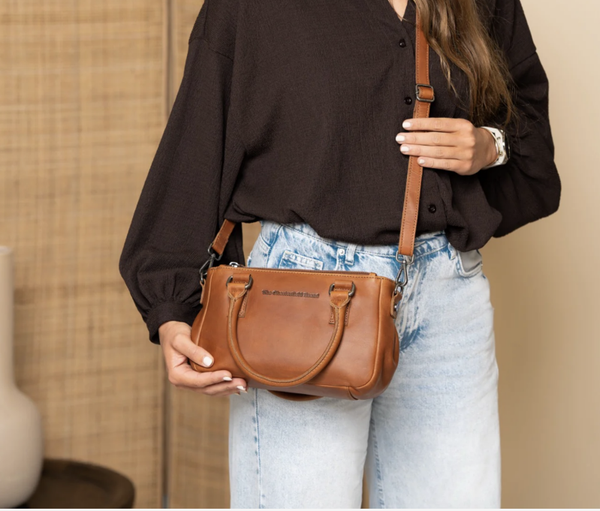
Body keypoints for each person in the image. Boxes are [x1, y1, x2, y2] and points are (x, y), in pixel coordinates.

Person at [119, 0, 560, 507]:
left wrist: (490, 145)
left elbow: (528, 120)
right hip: (300, 299)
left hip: (447, 294)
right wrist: (171, 306)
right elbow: (199, 139)